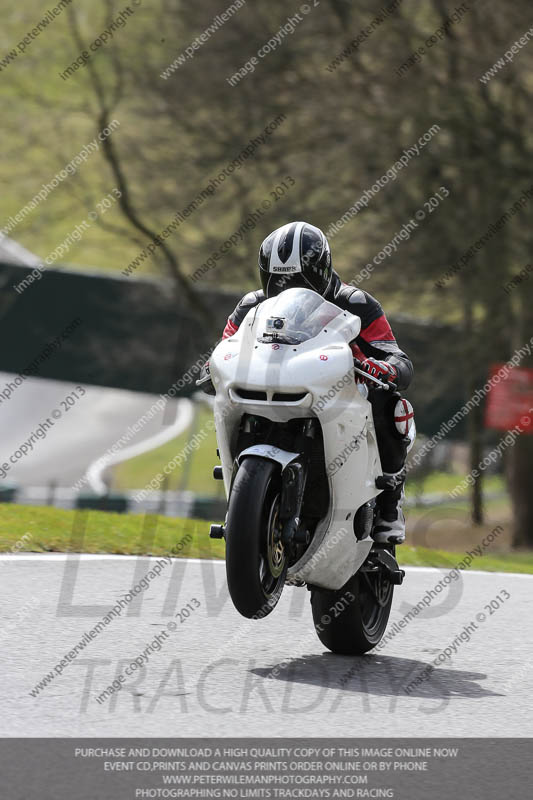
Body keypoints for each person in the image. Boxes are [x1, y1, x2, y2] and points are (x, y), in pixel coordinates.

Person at [219, 221, 414, 544]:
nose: (288, 291)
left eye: (298, 281)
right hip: (267, 392)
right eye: (278, 281)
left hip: (335, 396)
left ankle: (390, 504)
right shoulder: (250, 306)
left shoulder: (356, 303)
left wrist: (386, 369)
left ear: (321, 272)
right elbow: (224, 346)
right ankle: (243, 499)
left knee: (393, 404)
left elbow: (395, 355)